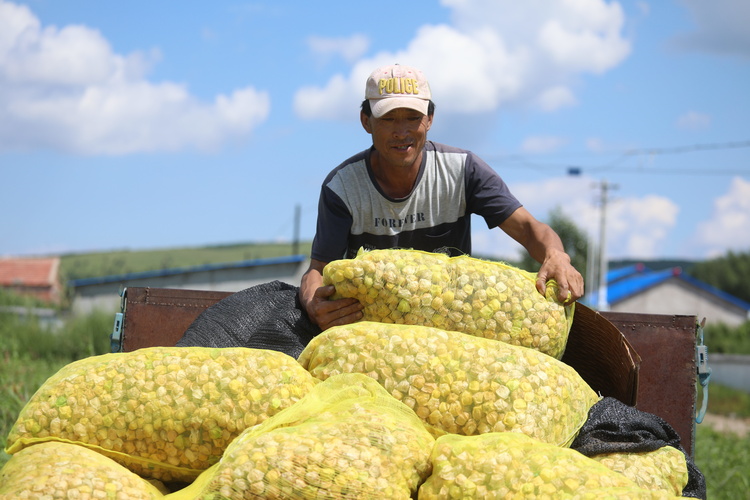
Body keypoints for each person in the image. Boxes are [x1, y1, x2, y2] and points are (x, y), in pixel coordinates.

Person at [300, 63, 584, 331]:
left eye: (413, 118)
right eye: (388, 119)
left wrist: (556, 255)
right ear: (366, 121)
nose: (402, 132)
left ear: (430, 119)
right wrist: (314, 303)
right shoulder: (343, 187)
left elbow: (529, 228)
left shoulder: (463, 170)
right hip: (373, 329)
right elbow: (317, 271)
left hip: (452, 325)